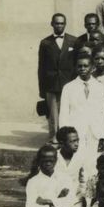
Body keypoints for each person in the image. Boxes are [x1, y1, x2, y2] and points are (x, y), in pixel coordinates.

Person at [39, 13, 78, 144]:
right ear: (52, 24)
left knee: (67, 111)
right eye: (57, 23)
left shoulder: (73, 41)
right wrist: (42, 90)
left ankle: (67, 138)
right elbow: (41, 67)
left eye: (62, 23)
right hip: (52, 83)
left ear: (65, 24)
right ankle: (54, 138)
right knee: (53, 114)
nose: (59, 26)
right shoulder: (45, 43)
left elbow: (76, 63)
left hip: (68, 82)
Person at [59, 52, 104, 154]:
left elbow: (103, 113)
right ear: (76, 68)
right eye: (79, 66)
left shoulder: (100, 87)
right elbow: (63, 114)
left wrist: (103, 136)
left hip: (95, 133)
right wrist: (64, 136)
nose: (82, 68)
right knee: (76, 161)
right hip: (75, 133)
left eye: (86, 66)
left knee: (93, 162)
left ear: (92, 67)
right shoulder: (68, 87)